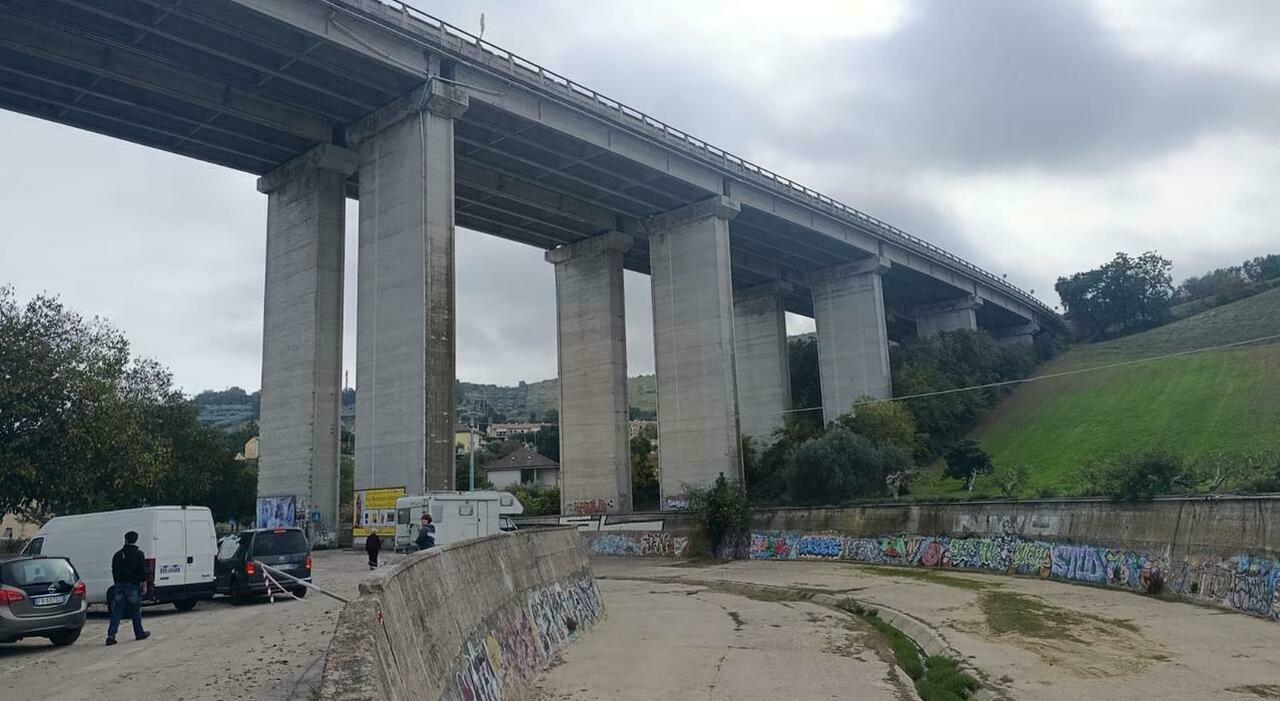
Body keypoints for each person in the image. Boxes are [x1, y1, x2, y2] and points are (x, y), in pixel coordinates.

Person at [106, 530, 151, 646]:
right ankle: (139, 632)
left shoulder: (117, 555)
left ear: (125, 540)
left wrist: (117, 583)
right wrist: (144, 584)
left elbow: (114, 570)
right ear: (136, 540)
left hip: (119, 585)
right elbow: (142, 571)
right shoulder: (139, 554)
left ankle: (111, 636)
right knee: (135, 610)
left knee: (117, 611)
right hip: (133, 586)